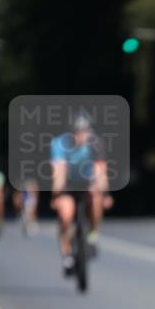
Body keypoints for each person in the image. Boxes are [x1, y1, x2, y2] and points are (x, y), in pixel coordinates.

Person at [50, 112, 111, 275]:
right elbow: (59, 172)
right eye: (77, 132)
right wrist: (56, 195)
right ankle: (67, 255)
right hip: (68, 184)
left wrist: (103, 193)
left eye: (84, 132)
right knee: (65, 214)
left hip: (87, 183)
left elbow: (101, 172)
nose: (81, 136)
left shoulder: (95, 142)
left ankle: (92, 234)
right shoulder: (59, 144)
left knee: (96, 199)